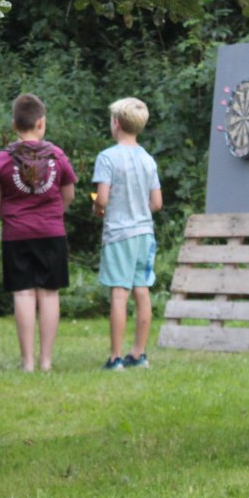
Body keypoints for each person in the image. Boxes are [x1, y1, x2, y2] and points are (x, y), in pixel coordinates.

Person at [0, 93, 76, 372]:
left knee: (23, 294)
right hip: (51, 231)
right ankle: (46, 361)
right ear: (41, 123)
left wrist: (8, 216)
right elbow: (69, 194)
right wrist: (53, 213)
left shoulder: (2, 158)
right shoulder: (57, 155)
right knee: (49, 294)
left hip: (16, 233)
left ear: (14, 124)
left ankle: (27, 362)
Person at [92, 97, 164, 370]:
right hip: (145, 233)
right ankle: (139, 353)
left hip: (119, 233)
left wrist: (97, 207)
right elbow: (156, 203)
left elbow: (102, 199)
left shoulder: (107, 158)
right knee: (142, 291)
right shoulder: (148, 159)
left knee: (119, 294)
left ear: (117, 123)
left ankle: (115, 357)